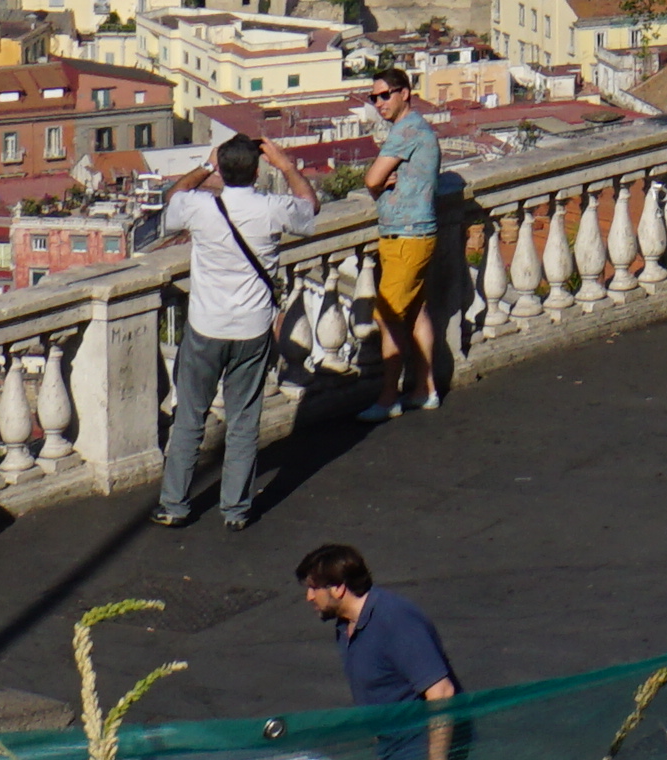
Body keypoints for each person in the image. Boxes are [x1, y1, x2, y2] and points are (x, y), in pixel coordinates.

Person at [151, 132, 309, 530]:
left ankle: (174, 504)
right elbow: (310, 208)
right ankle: (235, 510)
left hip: (207, 325)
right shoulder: (272, 208)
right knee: (243, 419)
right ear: (258, 170)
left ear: (221, 169)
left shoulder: (200, 207)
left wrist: (205, 167)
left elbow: (172, 198)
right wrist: (286, 165)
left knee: (190, 416)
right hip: (253, 328)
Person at [293, 542, 462, 760]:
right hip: (390, 749)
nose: (309, 597)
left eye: (314, 588)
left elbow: (442, 692)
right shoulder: (346, 628)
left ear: (338, 588)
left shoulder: (395, 620)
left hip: (418, 750)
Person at [358, 63, 453, 420]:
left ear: (404, 94)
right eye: (373, 97)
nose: (378, 103)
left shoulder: (405, 132)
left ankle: (388, 399)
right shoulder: (421, 130)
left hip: (406, 237)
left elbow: (371, 179)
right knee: (415, 313)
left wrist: (381, 184)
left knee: (387, 316)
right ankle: (425, 389)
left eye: (385, 95)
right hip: (420, 233)